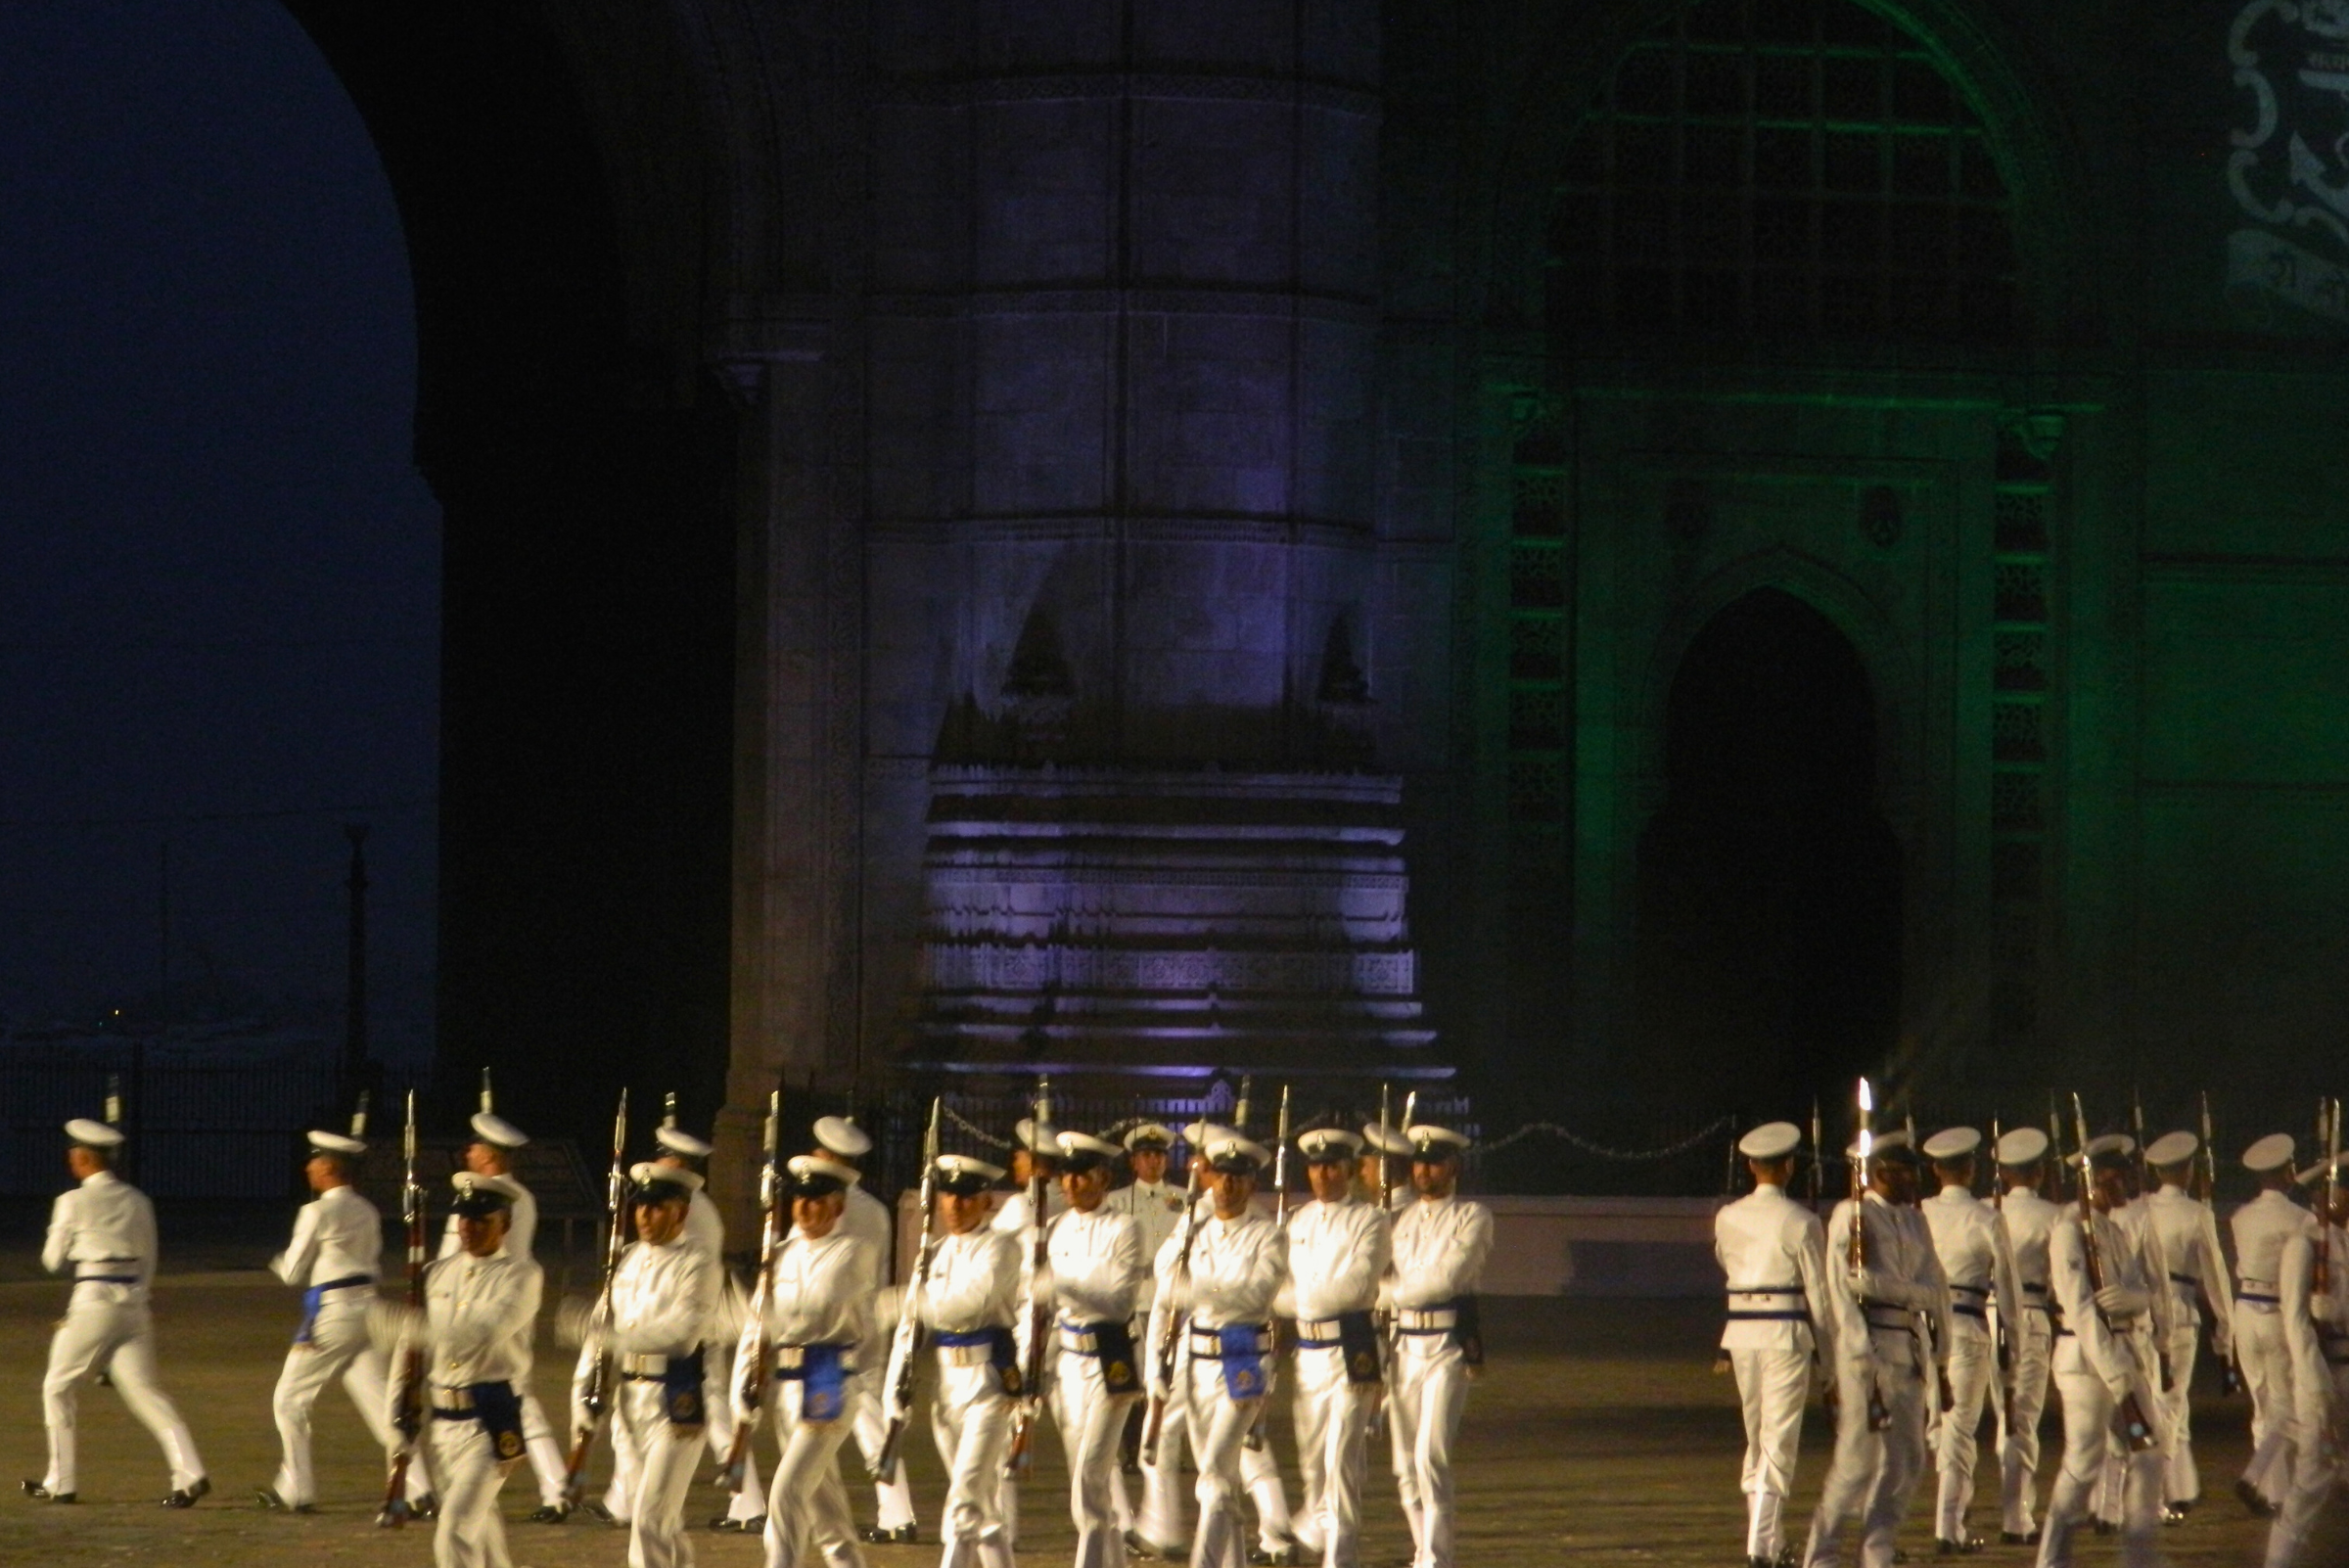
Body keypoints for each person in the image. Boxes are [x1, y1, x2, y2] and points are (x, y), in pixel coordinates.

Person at [23, 1115, 207, 1508]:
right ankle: (189, 1471)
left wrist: (74, 1247)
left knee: (57, 1386)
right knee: (146, 1392)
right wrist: (138, 1297)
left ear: (84, 1158)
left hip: (93, 1298)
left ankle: (62, 1479)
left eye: (74, 1152)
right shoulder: (138, 1200)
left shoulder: (71, 1201)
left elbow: (52, 1261)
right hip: (134, 1302)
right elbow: (149, 1258)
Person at [261, 1126, 429, 1515]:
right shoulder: (367, 1209)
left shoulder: (315, 1211)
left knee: (288, 1399)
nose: (308, 1169)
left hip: (334, 1313)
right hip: (368, 1309)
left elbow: (293, 1270)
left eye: (314, 1162)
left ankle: (299, 1489)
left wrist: (274, 1261)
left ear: (329, 1168)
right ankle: (420, 1488)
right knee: (382, 1409)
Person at [1800, 1130, 1948, 1568]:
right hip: (1868, 1351)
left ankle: (1877, 1548)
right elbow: (1841, 1291)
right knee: (1855, 1463)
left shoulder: (1915, 1220)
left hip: (1909, 1346)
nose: (1914, 1182)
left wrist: (1893, 1291)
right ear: (1881, 1173)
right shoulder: (1853, 1214)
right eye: (1905, 1174)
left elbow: (1934, 1286)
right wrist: (1859, 1353)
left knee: (1908, 1460)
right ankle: (1822, 1554)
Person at [1149, 1128, 1287, 1568]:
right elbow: (1165, 1280)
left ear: (1251, 1183)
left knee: (1211, 1476)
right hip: (1197, 1362)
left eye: (1238, 1177)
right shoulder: (1194, 1227)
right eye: (1221, 1175)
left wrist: (1199, 1288)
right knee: (1222, 1480)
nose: (1227, 1185)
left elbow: (1257, 1295)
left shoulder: (1268, 1235)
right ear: (1210, 1178)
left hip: (1242, 1357)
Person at [2035, 1135, 2173, 1568]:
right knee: (2083, 1462)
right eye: (2113, 1181)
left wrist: (2134, 1301)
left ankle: (2139, 1554)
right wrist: (2114, 1368)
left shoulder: (2112, 1230)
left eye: (2124, 1179)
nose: (2123, 1188)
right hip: (2087, 1361)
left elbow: (2140, 1290)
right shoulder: (2068, 1231)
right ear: (2091, 1183)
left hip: (2125, 1351)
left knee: (2150, 1451)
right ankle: (2052, 1559)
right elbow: (2078, 1308)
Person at [742, 1151, 879, 1568]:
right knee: (824, 1507)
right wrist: (743, 1386)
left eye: (817, 1199)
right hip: (789, 1384)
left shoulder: (854, 1252)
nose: (804, 1207)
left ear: (838, 1205)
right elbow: (755, 1324)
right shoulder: (779, 1255)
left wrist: (771, 1306)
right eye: (799, 1198)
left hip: (829, 1381)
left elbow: (819, 1307)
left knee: (786, 1491)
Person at [584, 1162, 721, 1568]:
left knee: (649, 1518)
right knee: (664, 1519)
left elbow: (682, 1335)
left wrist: (619, 1339)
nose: (644, 1215)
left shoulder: (698, 1264)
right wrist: (583, 1393)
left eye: (657, 1207)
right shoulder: (626, 1260)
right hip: (629, 1402)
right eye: (640, 1207)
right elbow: (600, 1330)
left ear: (680, 1211)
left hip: (674, 1401)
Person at [439, 1108, 572, 1521]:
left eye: (476, 1146)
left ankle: (556, 1489)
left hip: (489, 1307)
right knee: (518, 1398)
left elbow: (456, 1257)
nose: (469, 1151)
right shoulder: (520, 1197)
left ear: (491, 1155)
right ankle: (554, 1487)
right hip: (501, 1305)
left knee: (516, 1399)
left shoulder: (491, 1200)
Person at [404, 1172, 543, 1568]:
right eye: (464, 1218)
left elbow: (485, 1331)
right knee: (482, 1530)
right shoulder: (437, 1272)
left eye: (482, 1220)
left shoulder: (521, 1275)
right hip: (443, 1421)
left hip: (490, 1415)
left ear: (505, 1224)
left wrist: (415, 1327)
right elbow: (411, 1350)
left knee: (455, 1528)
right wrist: (399, 1404)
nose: (470, 1228)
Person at [893, 1151, 1022, 1568]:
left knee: (963, 1502)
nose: (955, 1205)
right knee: (982, 1509)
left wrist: (914, 1303)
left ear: (987, 1201)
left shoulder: (1001, 1248)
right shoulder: (934, 1253)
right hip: (947, 1389)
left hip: (988, 1386)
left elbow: (973, 1302)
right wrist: (894, 1387)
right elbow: (910, 1328)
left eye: (966, 1197)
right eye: (949, 1196)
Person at [1713, 1120, 1833, 1568]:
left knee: (1757, 1437)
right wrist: (1830, 1362)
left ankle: (1770, 1539)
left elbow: (1726, 1262)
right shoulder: (1800, 1220)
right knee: (1778, 1443)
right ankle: (1761, 1545)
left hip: (1743, 1332)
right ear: (1788, 1166)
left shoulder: (1727, 1216)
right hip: (1783, 1334)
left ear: (1750, 1165)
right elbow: (1819, 1296)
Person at [648, 1120, 769, 1536]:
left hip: (696, 1321)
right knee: (712, 1408)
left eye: (662, 1159)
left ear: (677, 1164)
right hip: (696, 1317)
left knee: (715, 1410)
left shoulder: (692, 1209)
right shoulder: (695, 1204)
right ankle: (745, 1501)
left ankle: (749, 1502)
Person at [798, 1115, 912, 1548]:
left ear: (829, 1157)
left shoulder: (837, 1205)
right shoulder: (874, 1209)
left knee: (861, 1419)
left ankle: (895, 1512)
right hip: (865, 1324)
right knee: (868, 1419)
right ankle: (895, 1510)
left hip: (836, 1328)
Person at [1384, 1121, 1492, 1568]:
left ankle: (1436, 1559)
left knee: (1431, 1455)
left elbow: (1444, 1280)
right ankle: (1422, 1550)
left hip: (1446, 1345)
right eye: (1419, 1162)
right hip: (1403, 1345)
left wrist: (1387, 1289)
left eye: (1434, 1163)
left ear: (1452, 1167)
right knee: (1405, 1467)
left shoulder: (1473, 1216)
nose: (1424, 1170)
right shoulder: (1402, 1218)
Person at [1285, 1125, 1392, 1568]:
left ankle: (1340, 1557)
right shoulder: (1299, 1219)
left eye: (1332, 1166)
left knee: (1340, 1461)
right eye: (1315, 1166)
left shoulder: (1371, 1220)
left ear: (1348, 1170)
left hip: (1352, 1351)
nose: (1323, 1175)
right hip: (1308, 1354)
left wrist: (1299, 1299)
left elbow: (1355, 1286)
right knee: (1313, 1466)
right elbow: (1281, 1285)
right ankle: (1318, 1527)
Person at [1040, 1130, 1148, 1568]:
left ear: (1103, 1177)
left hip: (1112, 1357)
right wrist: (1039, 1369)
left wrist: (1061, 1286)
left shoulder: (1126, 1228)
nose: (1071, 1185)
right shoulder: (1056, 1228)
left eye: (1081, 1176)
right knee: (1084, 1476)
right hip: (1068, 1362)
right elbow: (1044, 1312)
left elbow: (1119, 1301)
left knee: (1090, 1473)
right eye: (1066, 1176)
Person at [1918, 1126, 2020, 1555]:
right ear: (1971, 1168)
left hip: (1919, 1329)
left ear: (1936, 1169)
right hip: (1965, 1326)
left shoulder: (1918, 1211)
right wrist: (2012, 1348)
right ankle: (1950, 1525)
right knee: (1959, 1429)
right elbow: (2009, 1292)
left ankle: (1954, 1505)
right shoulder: (1987, 1218)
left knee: (1937, 1427)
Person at [2138, 1129, 2234, 1519]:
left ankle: (2182, 1487)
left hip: (2141, 1311)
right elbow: (2216, 1277)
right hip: (2176, 1310)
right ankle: (2155, 1496)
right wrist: (2225, 1330)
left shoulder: (2139, 1207)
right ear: (2189, 1169)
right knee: (2171, 1405)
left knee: (2163, 1402)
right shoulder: (2197, 1214)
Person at [2263, 1155, 2349, 1568]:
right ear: (2325, 1196)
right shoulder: (2303, 1245)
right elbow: (2295, 1322)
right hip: (2323, 1371)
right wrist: (2315, 1383)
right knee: (2313, 1478)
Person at [2234, 1132, 2313, 1517]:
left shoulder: (2241, 1216)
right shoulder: (2300, 1219)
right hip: (2278, 1312)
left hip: (2245, 1311)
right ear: (2286, 1171)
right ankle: (2268, 1485)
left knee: (2263, 1402)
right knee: (2283, 1405)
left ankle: (2269, 1489)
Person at [1993, 1127, 2061, 1546]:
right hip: (2029, 1315)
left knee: (1990, 1417)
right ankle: (2017, 1517)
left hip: (1983, 1315)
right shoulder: (2053, 1216)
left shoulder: (1987, 1211)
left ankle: (1959, 1511)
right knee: (2020, 1420)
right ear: (2037, 1172)